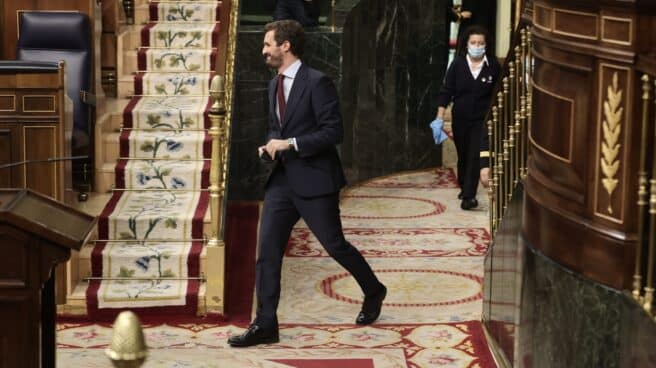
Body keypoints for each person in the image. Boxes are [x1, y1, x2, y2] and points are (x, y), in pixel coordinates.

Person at [227, 20, 387, 348]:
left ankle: (374, 290)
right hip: (282, 181)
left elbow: (333, 132)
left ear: (285, 46)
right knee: (267, 252)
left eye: (268, 44)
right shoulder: (273, 85)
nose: (263, 50)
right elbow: (276, 127)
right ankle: (265, 323)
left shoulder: (317, 82)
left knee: (335, 245)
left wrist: (291, 143)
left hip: (315, 179)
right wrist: (271, 144)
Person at [435, 25, 499, 210]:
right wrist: (439, 117)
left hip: (482, 119)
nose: (477, 46)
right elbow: (446, 91)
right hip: (460, 118)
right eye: (473, 43)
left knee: (474, 155)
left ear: (486, 45)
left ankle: (469, 196)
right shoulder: (457, 65)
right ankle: (465, 185)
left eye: (481, 43)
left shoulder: (493, 66)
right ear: (466, 44)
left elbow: (498, 93)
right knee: (463, 155)